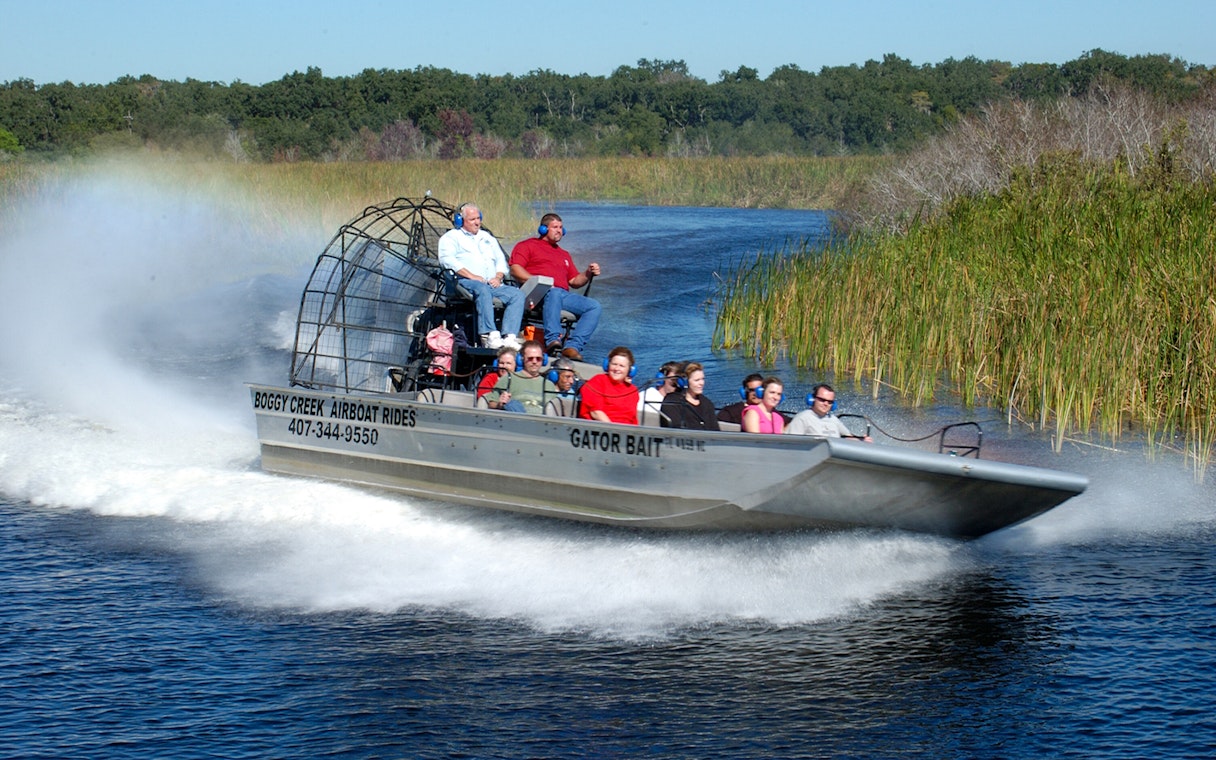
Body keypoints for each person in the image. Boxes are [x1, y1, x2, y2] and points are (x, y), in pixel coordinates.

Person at [509, 213, 602, 362]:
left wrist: (588, 273)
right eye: (555, 227)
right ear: (543, 229)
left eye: (561, 228)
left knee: (594, 306)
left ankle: (572, 347)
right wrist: (539, 280)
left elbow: (574, 280)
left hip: (561, 295)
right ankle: (553, 340)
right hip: (538, 294)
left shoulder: (564, 254)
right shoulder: (527, 245)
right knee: (554, 292)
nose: (559, 231)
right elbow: (515, 269)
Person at [437, 202, 524, 350]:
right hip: (464, 282)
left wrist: (498, 276)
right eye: (472, 219)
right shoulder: (451, 237)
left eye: (478, 218)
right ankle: (489, 334)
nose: (477, 222)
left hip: (491, 283)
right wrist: (472, 276)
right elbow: (447, 260)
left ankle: (509, 336)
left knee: (517, 294)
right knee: (482, 290)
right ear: (460, 220)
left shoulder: (487, 238)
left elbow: (501, 260)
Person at [484, 339, 557, 414]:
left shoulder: (549, 385)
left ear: (543, 360)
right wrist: (500, 404)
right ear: (521, 359)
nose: (534, 361)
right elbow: (491, 403)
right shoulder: (509, 379)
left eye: (538, 359)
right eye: (530, 358)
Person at [786, 383, 873, 441]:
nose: (826, 404)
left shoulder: (833, 419)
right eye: (822, 400)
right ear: (813, 399)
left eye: (829, 402)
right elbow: (791, 443)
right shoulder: (802, 418)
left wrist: (862, 440)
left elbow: (848, 437)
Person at [578, 346, 639, 424]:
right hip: (599, 429)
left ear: (630, 370)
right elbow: (596, 413)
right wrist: (615, 430)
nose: (617, 368)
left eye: (621, 366)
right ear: (607, 365)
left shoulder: (633, 391)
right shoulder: (597, 381)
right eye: (614, 364)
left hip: (625, 432)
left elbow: (633, 420)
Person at [660, 362, 720, 431]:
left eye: (703, 379)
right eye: (697, 380)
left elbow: (716, 430)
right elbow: (675, 432)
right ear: (685, 382)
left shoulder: (707, 403)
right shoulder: (671, 403)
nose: (702, 383)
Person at [718, 374, 795, 426]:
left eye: (759, 390)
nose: (755, 393)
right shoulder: (731, 411)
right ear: (745, 392)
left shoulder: (771, 412)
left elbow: (792, 423)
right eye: (752, 390)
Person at [638, 360, 685, 426]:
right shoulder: (644, 397)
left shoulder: (681, 399)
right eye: (673, 380)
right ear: (661, 378)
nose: (677, 384)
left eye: (679, 381)